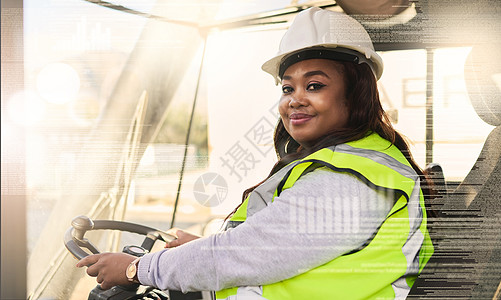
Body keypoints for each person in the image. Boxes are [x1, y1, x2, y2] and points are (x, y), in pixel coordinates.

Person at [77, 7, 434, 299]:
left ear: (355, 94)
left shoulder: (352, 178)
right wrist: (204, 249)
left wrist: (135, 268)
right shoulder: (346, 162)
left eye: (314, 85)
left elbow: (247, 255)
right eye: (287, 87)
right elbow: (274, 247)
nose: (295, 99)